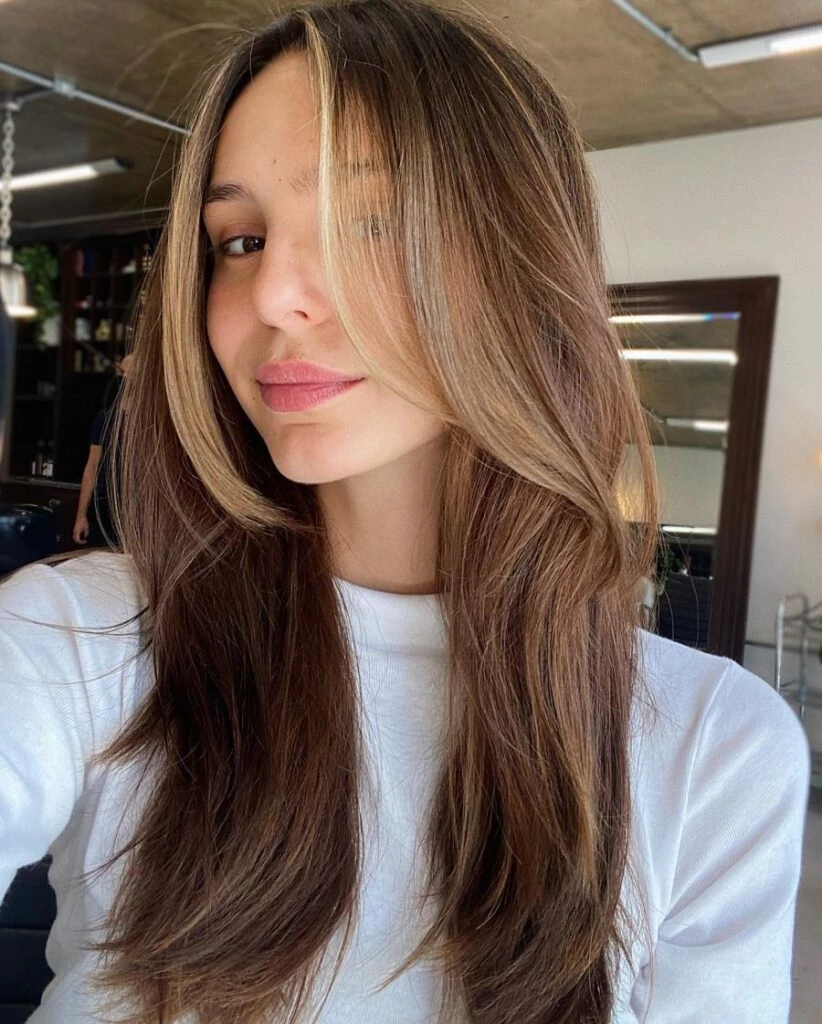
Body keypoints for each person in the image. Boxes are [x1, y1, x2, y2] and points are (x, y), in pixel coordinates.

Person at [0, 2, 811, 1022]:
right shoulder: (80, 640)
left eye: (368, 223)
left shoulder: (716, 751)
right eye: (240, 239)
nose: (273, 294)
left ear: (518, 264)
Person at [72, 353, 134, 549]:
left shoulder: (150, 421)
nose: (126, 379)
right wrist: (81, 515)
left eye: (132, 374)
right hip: (103, 505)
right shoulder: (105, 417)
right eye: (122, 373)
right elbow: (92, 466)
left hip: (135, 508)